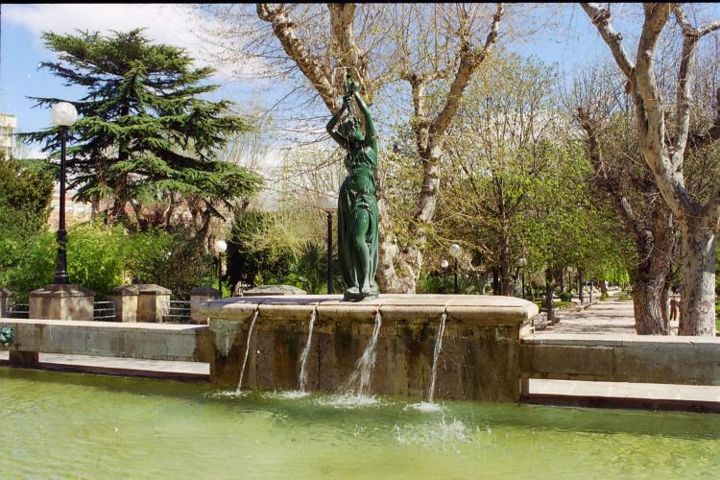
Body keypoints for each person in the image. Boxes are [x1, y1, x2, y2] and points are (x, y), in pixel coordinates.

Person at [326, 76, 379, 301]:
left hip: (364, 199)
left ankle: (367, 281)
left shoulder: (371, 146)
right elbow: (329, 128)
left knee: (359, 238)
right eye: (345, 131)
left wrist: (356, 96)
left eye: (349, 128)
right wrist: (343, 108)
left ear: (358, 128)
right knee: (349, 242)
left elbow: (367, 116)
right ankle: (356, 284)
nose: (347, 133)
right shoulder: (350, 150)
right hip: (347, 198)